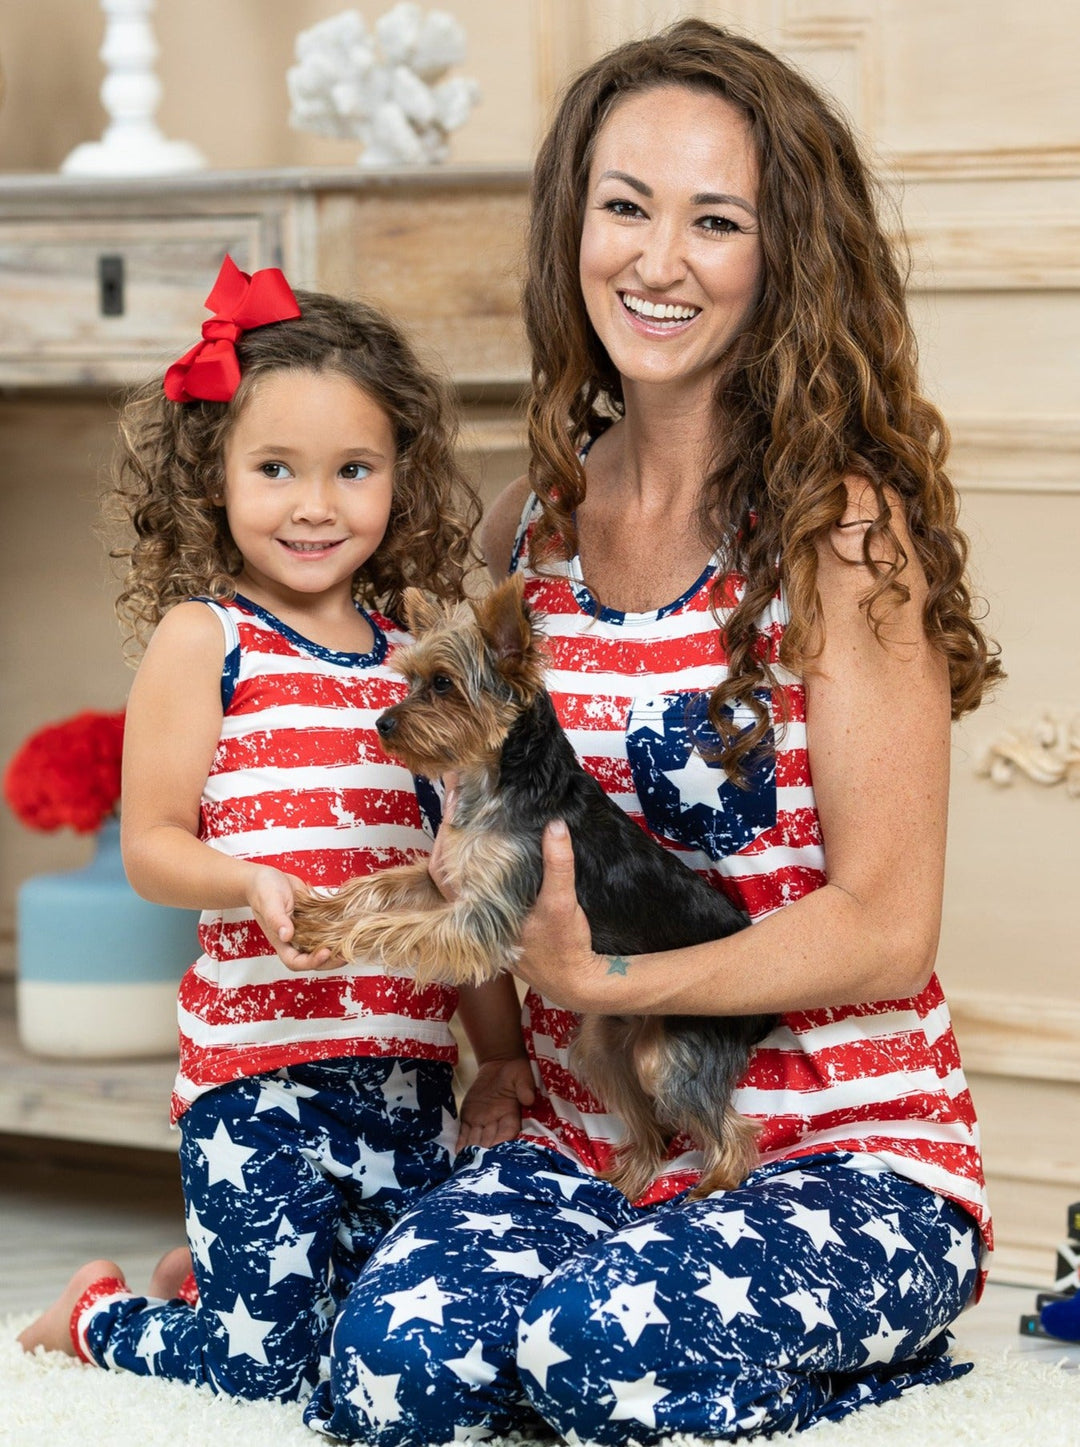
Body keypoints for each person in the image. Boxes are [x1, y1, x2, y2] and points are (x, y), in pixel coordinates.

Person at [304, 19, 1002, 1445]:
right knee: (386, 1371)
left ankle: (884, 1370)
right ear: (575, 225)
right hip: (597, 1142)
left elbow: (887, 928)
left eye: (716, 221)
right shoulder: (531, 530)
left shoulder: (841, 536)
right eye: (626, 206)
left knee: (598, 1350)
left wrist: (612, 974)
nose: (659, 260)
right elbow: (473, 838)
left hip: (838, 1145)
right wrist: (504, 1042)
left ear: (784, 257)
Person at [17, 258, 534, 1404]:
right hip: (260, 1083)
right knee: (269, 1372)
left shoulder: (414, 665)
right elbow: (152, 844)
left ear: (400, 474)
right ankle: (96, 1316)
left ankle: (216, 1283)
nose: (315, 504)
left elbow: (458, 892)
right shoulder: (207, 641)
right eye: (275, 469)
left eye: (353, 469)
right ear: (215, 477)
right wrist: (246, 877)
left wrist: (501, 1053)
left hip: (405, 1080)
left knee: (380, 1346)